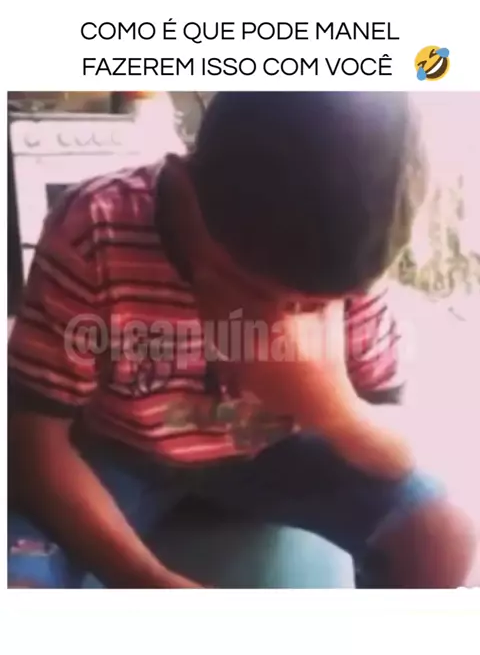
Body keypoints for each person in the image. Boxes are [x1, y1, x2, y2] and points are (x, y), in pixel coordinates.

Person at [8, 91, 476, 588]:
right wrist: (143, 577)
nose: (278, 318)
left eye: (312, 306)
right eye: (253, 290)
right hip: (120, 453)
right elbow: (33, 438)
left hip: (276, 453)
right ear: (186, 190)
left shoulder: (344, 259)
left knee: (444, 538)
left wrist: (331, 407)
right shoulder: (95, 226)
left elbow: (396, 445)